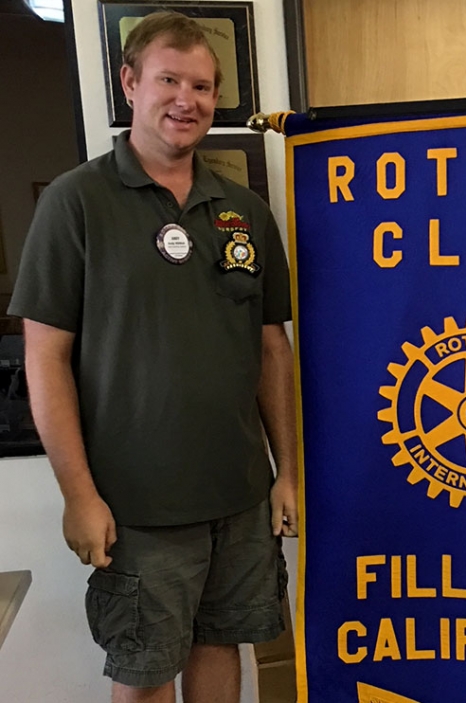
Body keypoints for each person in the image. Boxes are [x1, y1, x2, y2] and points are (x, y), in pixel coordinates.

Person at [9, 12, 298, 703]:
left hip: (238, 496)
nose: (187, 100)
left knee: (222, 642)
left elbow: (269, 348)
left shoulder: (242, 212)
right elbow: (44, 356)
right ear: (130, 83)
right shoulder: (78, 202)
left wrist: (287, 473)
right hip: (137, 504)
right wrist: (79, 495)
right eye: (169, 79)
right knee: (143, 670)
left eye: (202, 86)